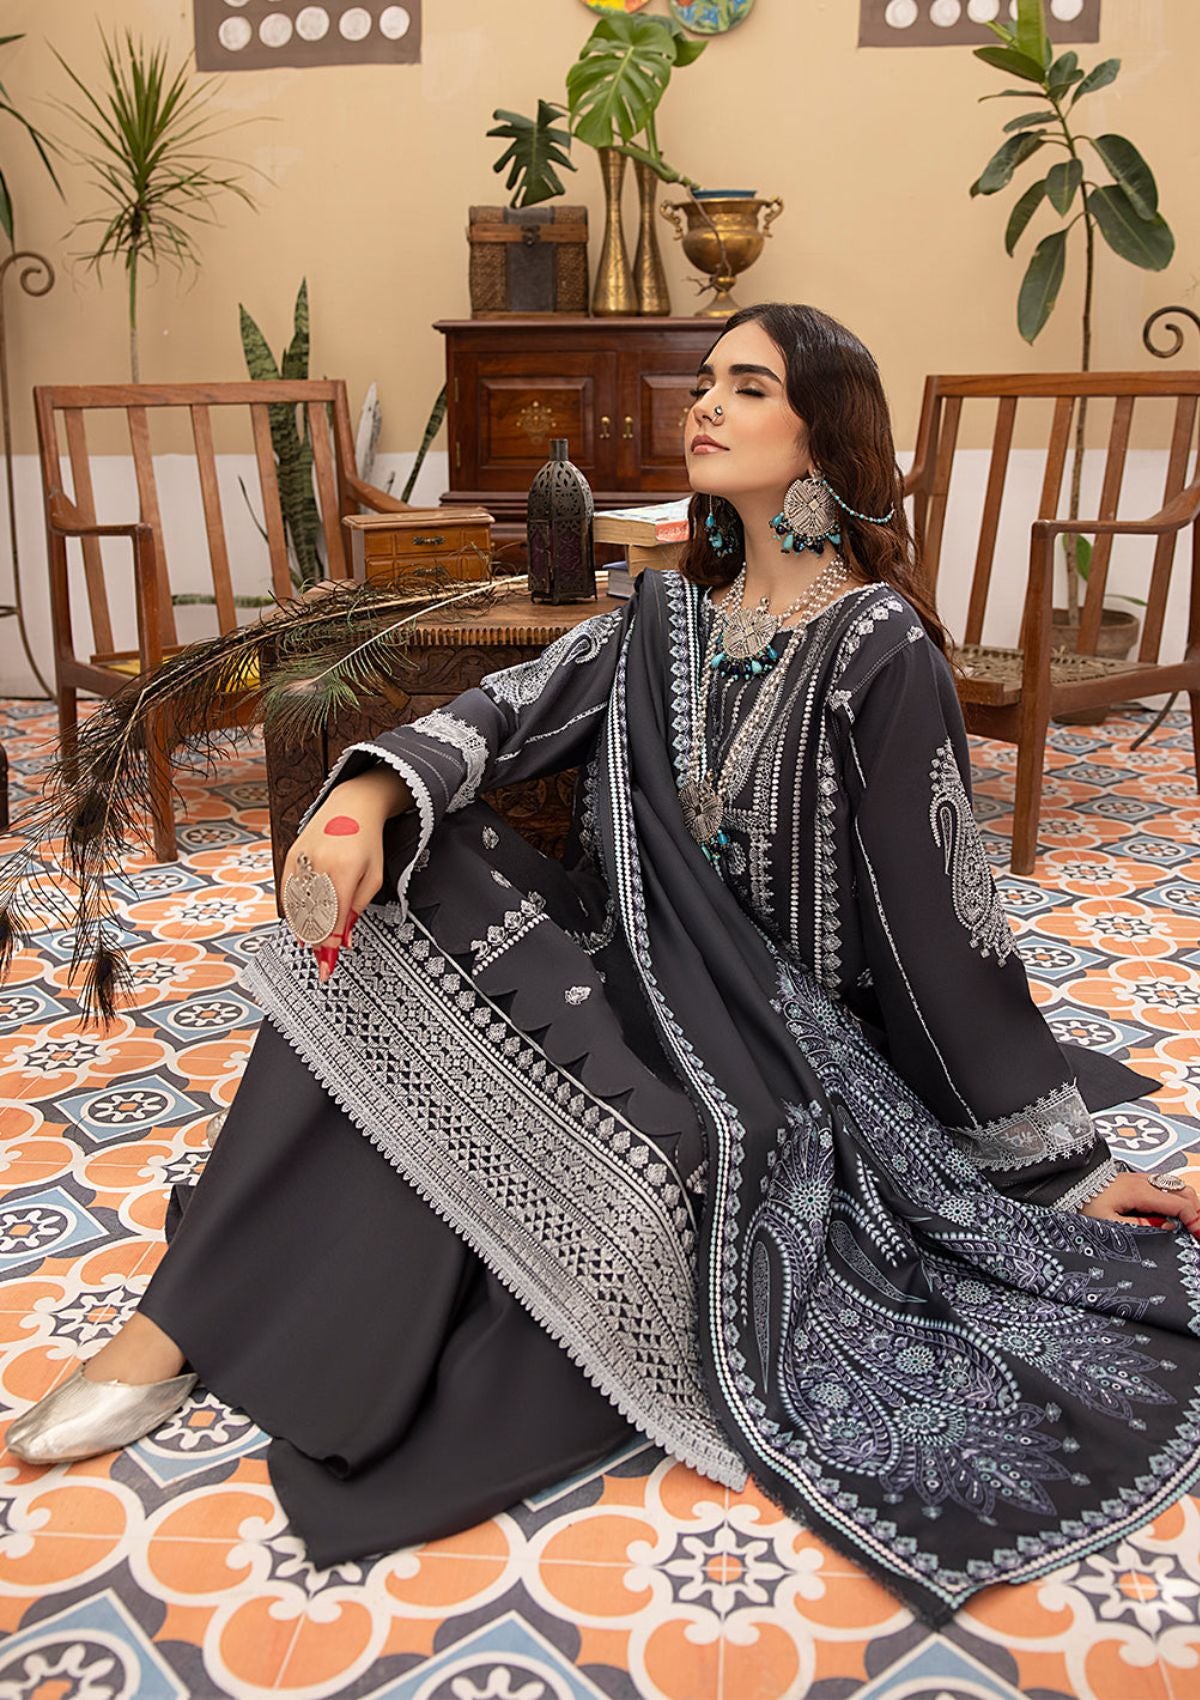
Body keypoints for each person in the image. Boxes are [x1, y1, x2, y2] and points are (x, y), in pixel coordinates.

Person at [10, 304, 1200, 1627]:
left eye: (749, 387)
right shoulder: (664, 621)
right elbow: (504, 711)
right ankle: (177, 1323)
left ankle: (183, 1320)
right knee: (410, 877)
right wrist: (363, 802)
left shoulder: (879, 648)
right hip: (630, 977)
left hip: (777, 1054)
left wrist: (1060, 1167)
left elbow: (943, 931)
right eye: (708, 382)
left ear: (822, 435)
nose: (708, 405)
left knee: (467, 1063)